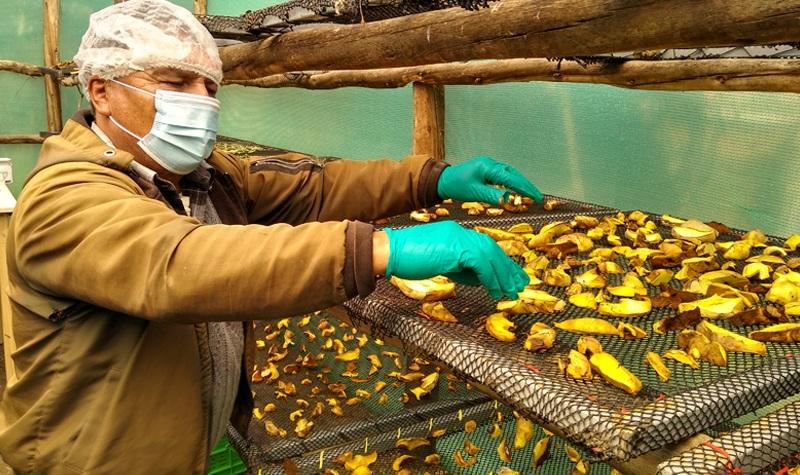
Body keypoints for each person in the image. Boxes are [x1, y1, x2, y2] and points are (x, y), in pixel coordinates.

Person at [0, 0, 542, 473]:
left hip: (183, 449)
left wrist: (433, 178)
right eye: (176, 83)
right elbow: (178, 264)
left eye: (210, 86)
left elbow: (315, 189)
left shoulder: (204, 177)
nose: (202, 102)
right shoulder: (64, 197)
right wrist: (381, 249)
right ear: (102, 91)